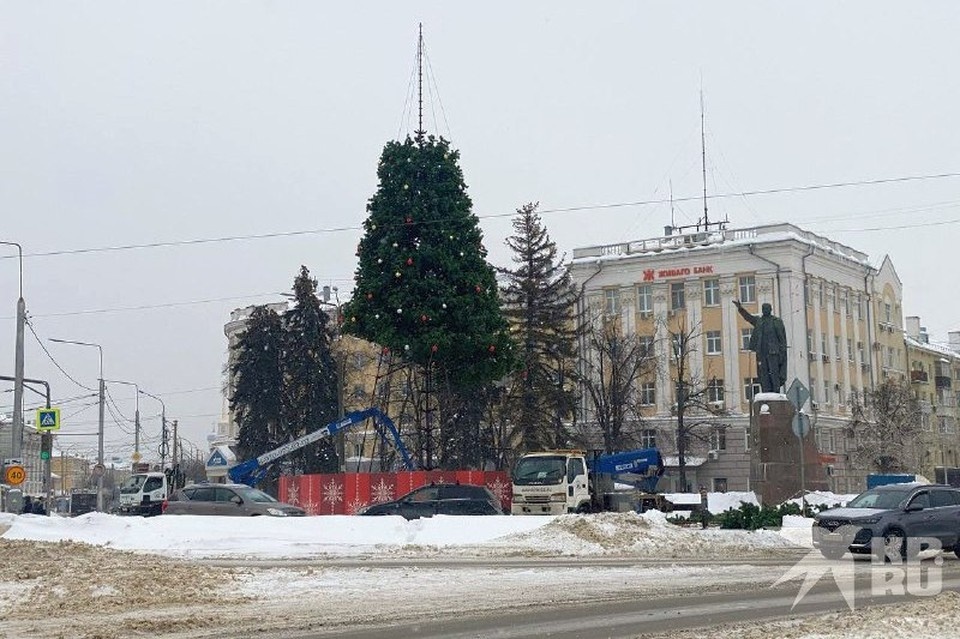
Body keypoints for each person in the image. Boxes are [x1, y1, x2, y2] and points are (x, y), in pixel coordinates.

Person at [734, 299, 787, 394]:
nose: (764, 310)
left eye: (766, 308)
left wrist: (782, 353)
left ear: (770, 309)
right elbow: (748, 318)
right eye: (763, 308)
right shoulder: (759, 321)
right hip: (762, 353)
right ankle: (766, 393)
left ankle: (776, 393)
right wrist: (740, 308)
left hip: (773, 353)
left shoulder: (777, 321)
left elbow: (782, 338)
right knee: (763, 375)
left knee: (774, 373)